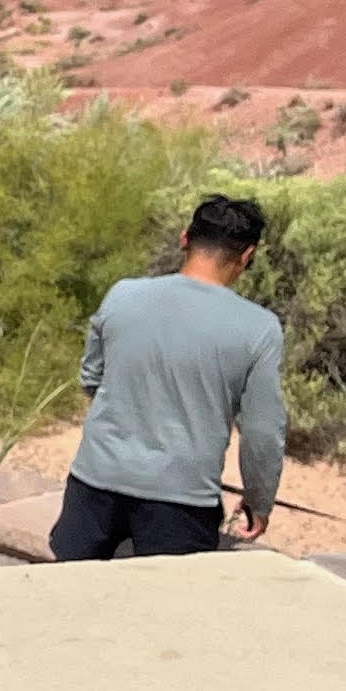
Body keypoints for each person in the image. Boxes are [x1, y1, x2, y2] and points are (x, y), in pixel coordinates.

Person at [52, 193, 286, 560]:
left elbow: (91, 378)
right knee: (168, 611)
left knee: (65, 599)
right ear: (246, 256)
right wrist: (259, 499)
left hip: (94, 485)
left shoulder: (122, 295)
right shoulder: (259, 328)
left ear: (184, 238)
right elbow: (262, 433)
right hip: (181, 502)